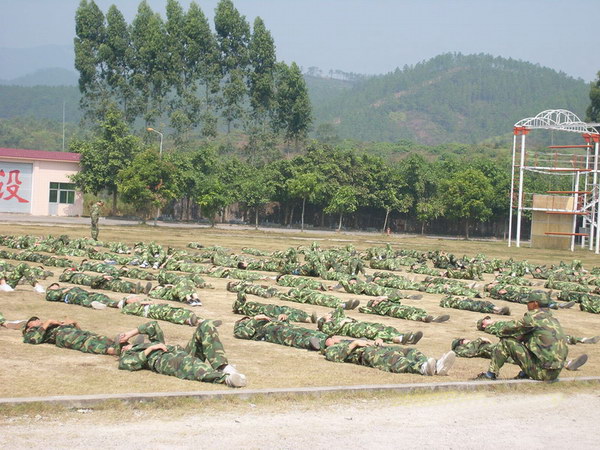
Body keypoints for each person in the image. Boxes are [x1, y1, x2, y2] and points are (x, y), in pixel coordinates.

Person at [117, 320, 246, 387]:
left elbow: (152, 325)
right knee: (190, 364)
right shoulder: (128, 355)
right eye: (124, 345)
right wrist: (150, 349)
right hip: (164, 361)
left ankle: (223, 367)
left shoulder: (152, 343)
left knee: (206, 325)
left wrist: (130, 333)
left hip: (180, 352)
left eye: (127, 342)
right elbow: (128, 364)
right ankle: (226, 379)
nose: (127, 344)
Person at [475, 291, 570, 381]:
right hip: (555, 372)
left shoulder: (533, 318)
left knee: (506, 342)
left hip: (542, 372)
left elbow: (507, 328)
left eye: (529, 302)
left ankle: (490, 375)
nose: (527, 305)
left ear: (535, 303)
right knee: (529, 339)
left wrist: (498, 331)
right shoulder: (552, 319)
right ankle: (524, 374)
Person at [322, 337, 456, 376]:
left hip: (377, 348)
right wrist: (355, 343)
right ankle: (422, 368)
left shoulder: (345, 341)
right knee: (393, 359)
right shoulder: (331, 349)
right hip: (367, 354)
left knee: (410, 351)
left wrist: (377, 341)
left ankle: (437, 365)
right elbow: (335, 358)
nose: (333, 338)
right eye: (330, 339)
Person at [22, 316, 122, 355]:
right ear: (28, 326)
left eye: (38, 319)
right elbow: (33, 340)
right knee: (86, 342)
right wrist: (48, 322)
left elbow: (79, 331)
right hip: (62, 336)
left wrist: (74, 323)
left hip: (74, 332)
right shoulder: (31, 331)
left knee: (97, 337)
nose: (37, 320)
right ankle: (112, 351)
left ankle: (122, 346)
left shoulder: (50, 325)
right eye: (33, 320)